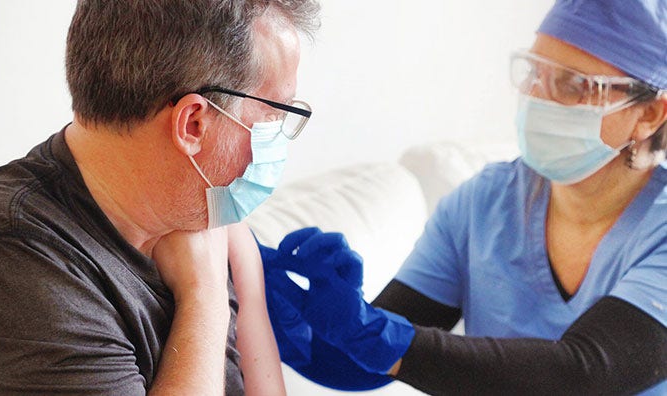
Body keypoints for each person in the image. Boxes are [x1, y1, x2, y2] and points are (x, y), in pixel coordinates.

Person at [262, 0, 667, 394]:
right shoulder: (485, 203)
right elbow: (367, 364)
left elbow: (583, 374)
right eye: (534, 73)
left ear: (649, 114)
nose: (538, 98)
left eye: (573, 85)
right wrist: (273, 307)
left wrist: (372, 333)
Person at [0, 0, 318, 394]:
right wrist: (205, 296)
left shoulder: (219, 221)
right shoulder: (11, 264)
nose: (280, 137)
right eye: (272, 116)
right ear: (193, 123)